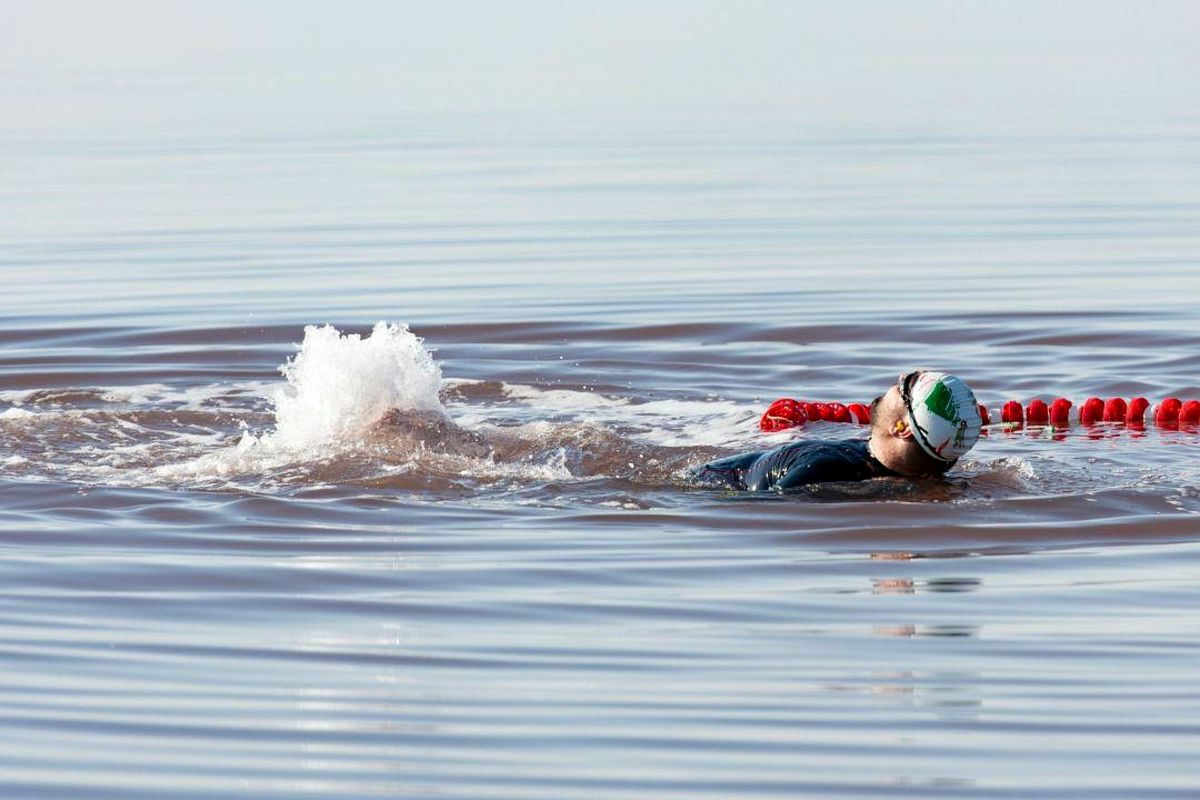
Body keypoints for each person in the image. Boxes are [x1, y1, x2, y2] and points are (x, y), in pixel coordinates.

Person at [694, 370, 983, 491]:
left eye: (904, 385)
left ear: (902, 428)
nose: (895, 382)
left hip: (713, 485)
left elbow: (763, 508)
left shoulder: (824, 467)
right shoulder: (928, 480)